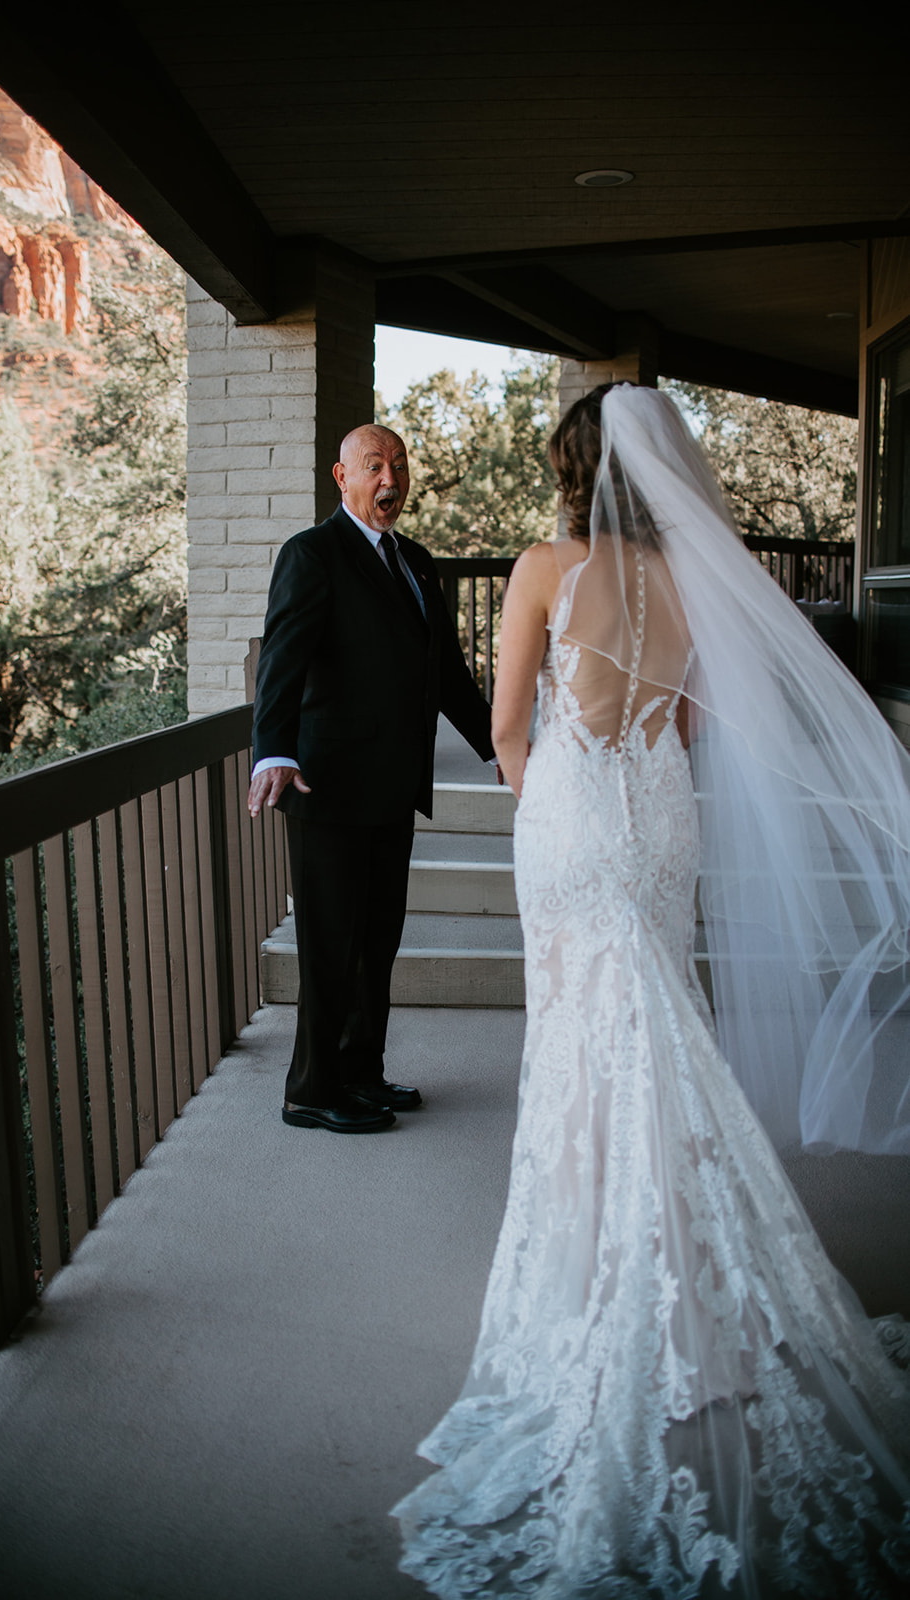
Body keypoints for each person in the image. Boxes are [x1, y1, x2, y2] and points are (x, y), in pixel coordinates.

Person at [393, 383, 910, 1595]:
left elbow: (509, 722)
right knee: (662, 1022)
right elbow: (683, 721)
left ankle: (597, 1274)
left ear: (574, 470)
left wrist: (549, 802)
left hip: (573, 817)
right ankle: (692, 1258)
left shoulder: (540, 566)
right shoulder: (695, 583)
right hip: (658, 816)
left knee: (586, 1039)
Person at [248, 423, 495, 1134]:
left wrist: (499, 747)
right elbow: (281, 664)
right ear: (342, 478)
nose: (390, 480)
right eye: (374, 467)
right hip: (326, 788)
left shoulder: (416, 562)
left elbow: (445, 670)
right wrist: (274, 751)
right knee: (330, 945)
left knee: (377, 940)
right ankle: (310, 1089)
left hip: (392, 787)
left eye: (399, 465)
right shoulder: (312, 554)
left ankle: (361, 1071)